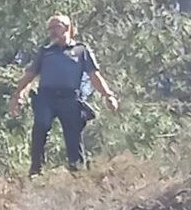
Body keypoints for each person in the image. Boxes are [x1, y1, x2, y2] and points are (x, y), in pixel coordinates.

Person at [9, 15, 118, 176]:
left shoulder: (81, 50)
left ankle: (77, 173)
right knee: (40, 128)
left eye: (56, 27)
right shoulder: (45, 52)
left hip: (69, 99)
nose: (52, 31)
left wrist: (108, 95)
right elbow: (30, 75)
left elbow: (94, 76)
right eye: (50, 28)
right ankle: (35, 171)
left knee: (73, 136)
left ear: (67, 28)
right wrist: (18, 95)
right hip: (46, 97)